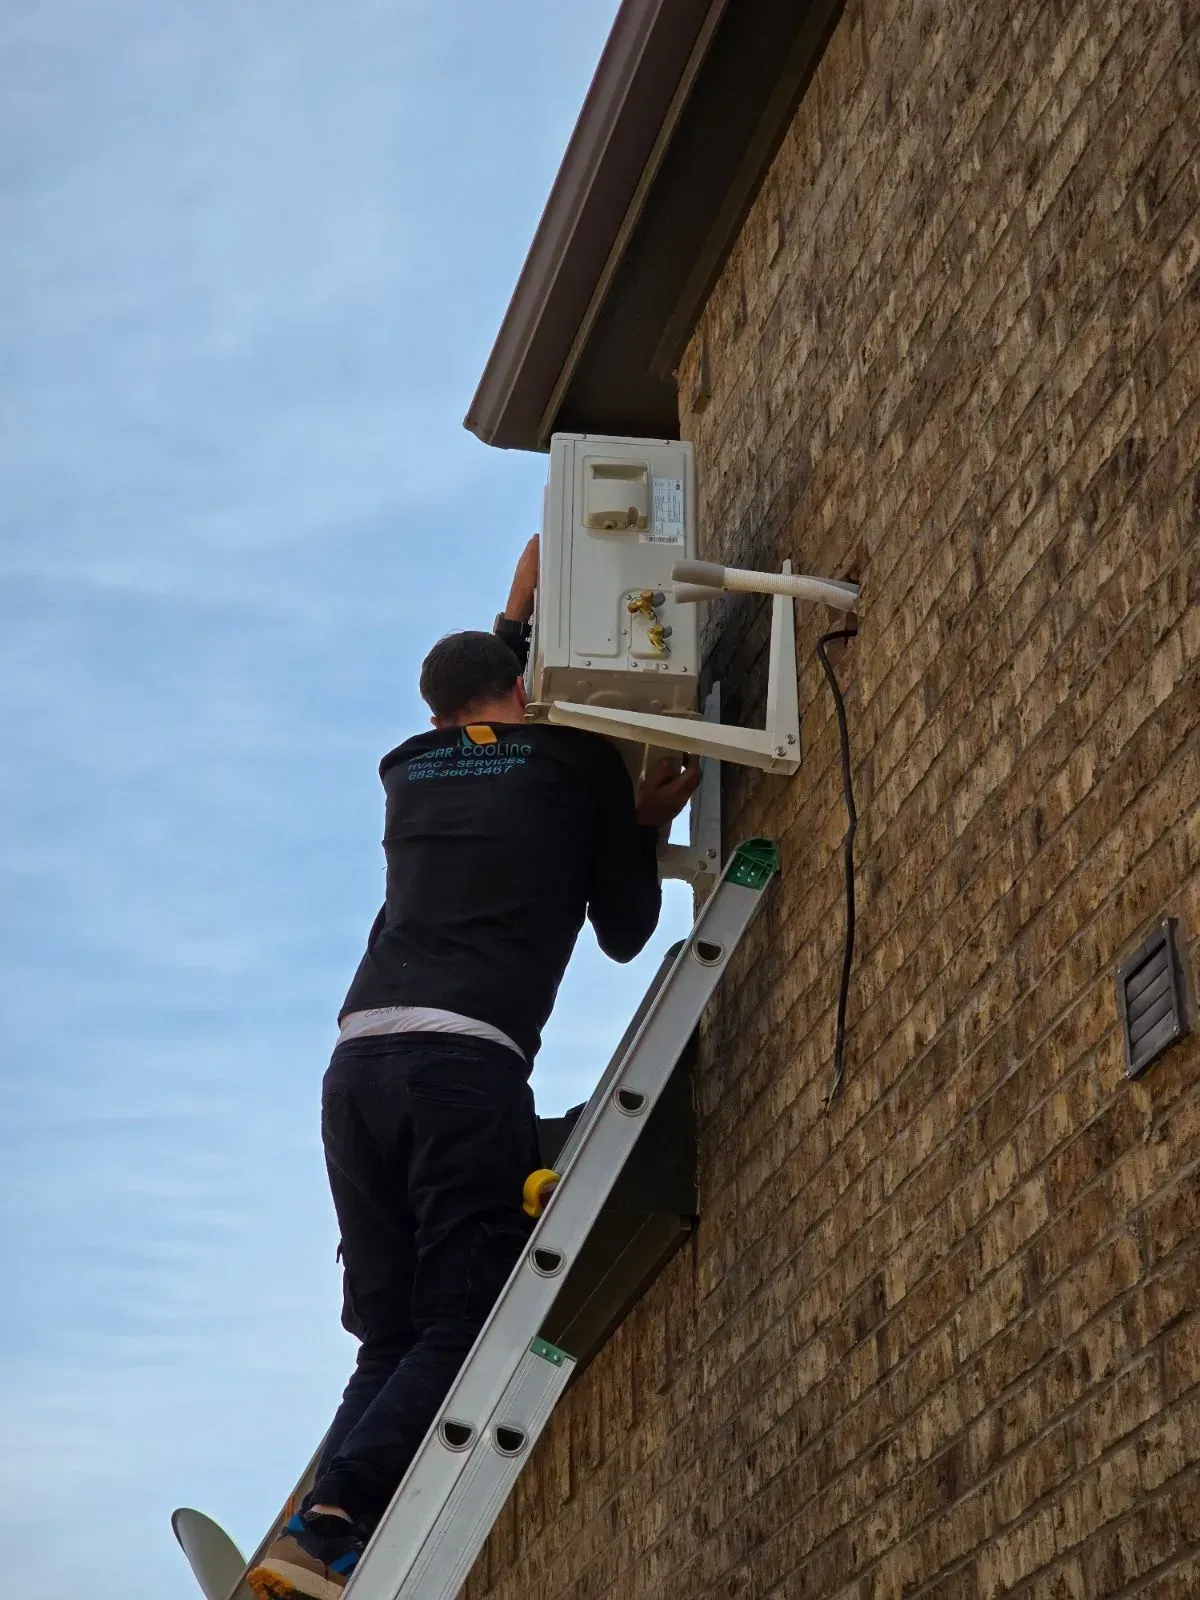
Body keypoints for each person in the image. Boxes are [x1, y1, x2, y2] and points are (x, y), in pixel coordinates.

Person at [248, 536, 699, 1600]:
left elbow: (490, 725)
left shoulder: (410, 771)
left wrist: (512, 624)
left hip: (357, 1066)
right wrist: (645, 823)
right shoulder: (577, 762)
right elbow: (629, 930)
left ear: (439, 705)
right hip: (463, 1063)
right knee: (464, 1315)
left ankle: (312, 1535)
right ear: (526, 688)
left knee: (388, 1333)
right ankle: (336, 1513)